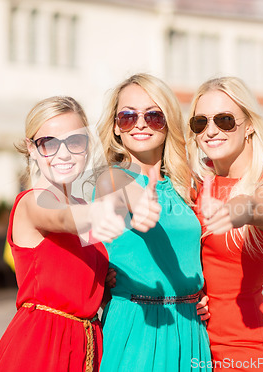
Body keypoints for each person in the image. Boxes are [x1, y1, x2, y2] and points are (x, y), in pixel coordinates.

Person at [0, 96, 126, 372]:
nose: (63, 154)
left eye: (75, 142)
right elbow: (61, 217)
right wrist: (108, 208)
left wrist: (104, 281)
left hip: (88, 343)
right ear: (32, 148)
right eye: (48, 143)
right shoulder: (32, 201)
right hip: (43, 345)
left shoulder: (83, 206)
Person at [187, 77, 263, 371]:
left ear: (250, 124)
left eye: (225, 120)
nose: (211, 130)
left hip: (248, 350)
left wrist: (242, 208)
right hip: (193, 344)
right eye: (200, 122)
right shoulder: (196, 182)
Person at [95, 73, 211, 371]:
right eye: (127, 116)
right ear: (115, 128)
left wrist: (210, 294)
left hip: (190, 327)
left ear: (168, 122)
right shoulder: (110, 178)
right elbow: (116, 184)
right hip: (135, 327)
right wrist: (137, 197)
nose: (141, 123)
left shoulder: (188, 186)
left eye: (154, 115)